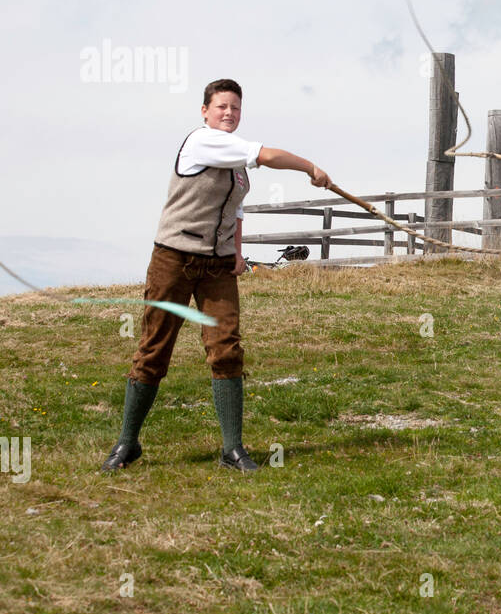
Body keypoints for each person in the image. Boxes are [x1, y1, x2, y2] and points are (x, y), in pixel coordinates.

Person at [100, 79, 331, 473]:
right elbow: (268, 154)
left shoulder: (237, 167)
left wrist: (237, 255)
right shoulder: (202, 141)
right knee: (155, 348)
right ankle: (127, 443)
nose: (229, 113)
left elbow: (236, 213)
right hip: (174, 259)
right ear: (204, 111)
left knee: (227, 348)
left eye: (236, 108)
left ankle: (232, 449)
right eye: (222, 106)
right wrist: (311, 168)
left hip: (218, 266)